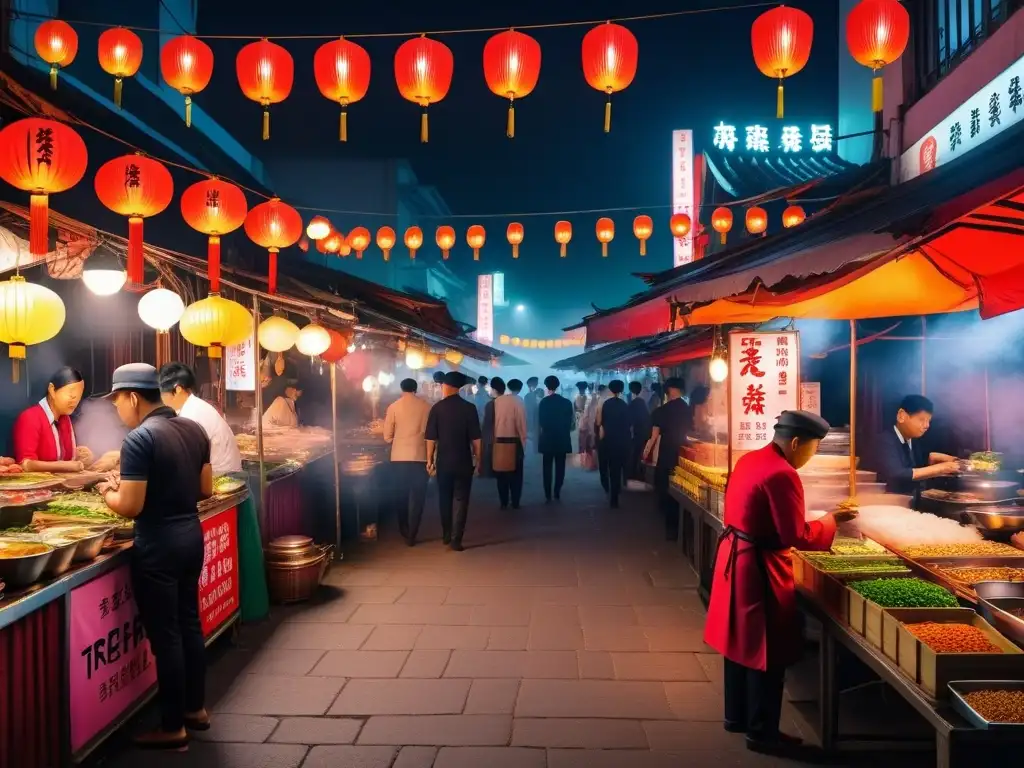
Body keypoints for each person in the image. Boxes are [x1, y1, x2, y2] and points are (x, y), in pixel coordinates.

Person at [704, 411, 857, 756]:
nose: (811, 457)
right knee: (766, 649)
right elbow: (795, 534)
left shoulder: (751, 460)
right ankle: (762, 732)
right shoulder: (783, 474)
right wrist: (831, 520)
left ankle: (736, 716)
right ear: (797, 442)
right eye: (813, 450)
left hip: (736, 557)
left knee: (738, 641)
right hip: (759, 567)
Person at [96, 364, 213, 750]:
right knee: (189, 623)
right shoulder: (192, 429)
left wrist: (106, 492)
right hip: (190, 536)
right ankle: (195, 710)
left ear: (132, 397)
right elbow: (206, 488)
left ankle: (172, 727)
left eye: (117, 402)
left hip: (159, 544)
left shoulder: (140, 437)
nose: (117, 410)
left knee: (167, 637)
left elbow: (130, 506)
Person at [426, 372, 482, 551]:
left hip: (444, 462)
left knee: (444, 498)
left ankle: (446, 534)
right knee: (462, 500)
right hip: (464, 461)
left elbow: (430, 438)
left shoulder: (437, 408)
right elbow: (476, 439)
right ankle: (457, 539)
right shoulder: (469, 408)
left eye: (442, 385)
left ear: (448, 386)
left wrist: (429, 460)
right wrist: (479, 460)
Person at [875, 394, 959, 507]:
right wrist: (942, 468)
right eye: (921, 420)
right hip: (888, 505)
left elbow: (916, 462)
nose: (927, 425)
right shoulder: (884, 440)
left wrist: (936, 457)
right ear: (902, 416)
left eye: (929, 421)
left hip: (910, 505)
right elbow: (896, 474)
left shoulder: (913, 441)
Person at [158, 362, 243, 475]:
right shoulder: (194, 406)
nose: (160, 399)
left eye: (161, 393)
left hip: (221, 479)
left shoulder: (191, 415)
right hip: (224, 474)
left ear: (177, 389)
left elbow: (187, 463)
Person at [12, 366, 97, 472]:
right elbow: (26, 464)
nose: (75, 400)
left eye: (79, 394)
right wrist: (65, 466)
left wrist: (78, 454)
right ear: (52, 390)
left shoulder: (65, 419)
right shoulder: (30, 418)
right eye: (71, 393)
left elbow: (64, 456)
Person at [383, 378, 432, 546]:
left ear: (401, 388)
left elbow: (387, 436)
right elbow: (430, 434)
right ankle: (413, 533)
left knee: (401, 495)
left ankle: (403, 528)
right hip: (420, 457)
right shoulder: (426, 407)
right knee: (418, 497)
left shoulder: (393, 407)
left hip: (399, 458)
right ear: (415, 389)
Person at [647, 377, 695, 540]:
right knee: (685, 490)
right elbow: (695, 430)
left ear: (670, 390)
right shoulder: (689, 409)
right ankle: (685, 527)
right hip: (686, 455)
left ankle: (671, 528)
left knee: (666, 489)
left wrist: (645, 454)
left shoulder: (661, 411)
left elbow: (653, 437)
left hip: (667, 454)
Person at [482, 377, 528, 509]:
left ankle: (503, 502)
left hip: (498, 442)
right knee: (516, 475)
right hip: (515, 441)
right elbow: (522, 425)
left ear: (495, 389)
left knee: (501, 474)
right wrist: (523, 444)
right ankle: (515, 501)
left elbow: (487, 427)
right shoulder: (517, 401)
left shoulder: (492, 404)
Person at [537, 375, 574, 502]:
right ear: (558, 386)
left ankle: (547, 494)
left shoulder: (543, 402)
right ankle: (557, 491)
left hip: (547, 439)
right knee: (560, 467)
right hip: (562, 439)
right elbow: (571, 424)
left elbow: (541, 422)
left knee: (546, 467)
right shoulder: (566, 403)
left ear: (546, 386)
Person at [598, 380, 631, 508]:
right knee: (617, 468)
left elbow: (601, 423)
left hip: (608, 440)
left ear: (610, 389)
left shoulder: (606, 404)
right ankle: (615, 494)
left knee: (609, 468)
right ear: (622, 389)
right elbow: (628, 424)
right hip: (621, 441)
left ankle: (610, 491)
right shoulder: (624, 405)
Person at [628, 381, 652, 480]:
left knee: (635, 454)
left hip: (637, 433)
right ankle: (641, 473)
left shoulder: (633, 404)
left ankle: (634, 474)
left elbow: (629, 421)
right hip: (645, 432)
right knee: (642, 454)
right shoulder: (643, 402)